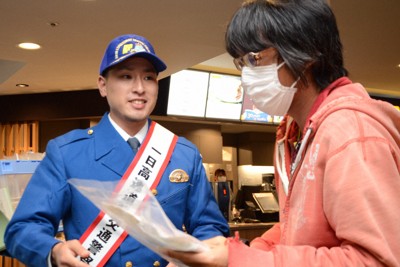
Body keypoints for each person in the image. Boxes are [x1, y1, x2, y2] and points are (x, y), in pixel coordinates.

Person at [166, 0, 400, 266]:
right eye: (241, 63)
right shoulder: (292, 134)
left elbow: (377, 260)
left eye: (254, 59)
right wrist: (255, 248)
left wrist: (241, 258)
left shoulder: (351, 132)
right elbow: (296, 227)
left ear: (307, 52)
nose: (246, 76)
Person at [4, 34, 229, 267]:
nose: (140, 88)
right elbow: (22, 229)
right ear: (103, 85)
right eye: (126, 76)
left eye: (149, 77)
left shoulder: (184, 154)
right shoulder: (66, 152)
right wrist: (54, 250)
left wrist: (196, 260)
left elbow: (209, 226)